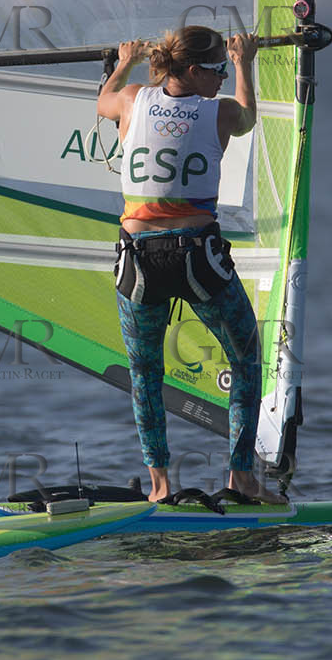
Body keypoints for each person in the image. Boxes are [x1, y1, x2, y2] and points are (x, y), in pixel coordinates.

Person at [95, 26, 282, 504]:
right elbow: (247, 117)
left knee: (145, 374)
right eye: (216, 69)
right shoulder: (218, 112)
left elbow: (103, 100)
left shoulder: (132, 99)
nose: (220, 77)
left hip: (138, 264)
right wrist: (246, 62)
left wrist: (125, 61)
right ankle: (240, 478)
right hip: (196, 258)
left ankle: (160, 487)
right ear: (195, 71)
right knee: (245, 358)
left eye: (225, 68)